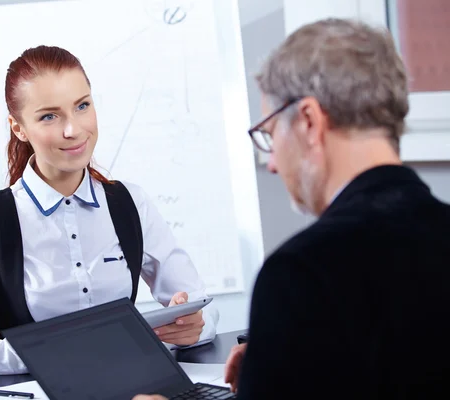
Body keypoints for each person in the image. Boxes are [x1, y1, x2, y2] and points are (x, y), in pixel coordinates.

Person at [134, 17, 450, 400]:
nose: (272, 163)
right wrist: (286, 356)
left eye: (269, 133)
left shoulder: (301, 274)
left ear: (308, 121)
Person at [0, 45, 218, 377]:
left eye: (82, 106)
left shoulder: (130, 203)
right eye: (49, 116)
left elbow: (200, 305)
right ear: (18, 128)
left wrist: (194, 326)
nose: (72, 130)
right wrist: (35, 355)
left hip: (132, 386)